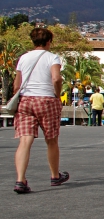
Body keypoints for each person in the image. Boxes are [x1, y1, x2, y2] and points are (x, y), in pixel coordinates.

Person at [12, 27, 70, 194]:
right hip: (46, 100)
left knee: (25, 141)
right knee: (51, 139)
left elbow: (17, 85)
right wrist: (57, 95)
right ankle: (54, 175)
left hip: (25, 100)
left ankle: (20, 180)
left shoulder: (23, 58)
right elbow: (56, 78)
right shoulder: (52, 57)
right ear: (48, 41)